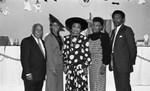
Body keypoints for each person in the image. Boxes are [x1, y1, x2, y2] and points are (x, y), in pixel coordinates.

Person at [110, 10, 137, 91]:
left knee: (125, 86)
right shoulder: (113, 31)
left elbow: (132, 48)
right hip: (115, 63)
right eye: (114, 18)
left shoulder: (127, 30)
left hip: (124, 64)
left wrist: (130, 62)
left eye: (118, 18)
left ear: (123, 19)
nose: (116, 20)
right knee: (118, 85)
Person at [63, 17, 92, 91]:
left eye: (78, 27)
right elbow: (64, 53)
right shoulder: (66, 39)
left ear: (81, 29)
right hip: (70, 69)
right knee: (70, 88)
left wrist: (85, 66)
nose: (76, 29)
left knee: (81, 88)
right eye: (74, 27)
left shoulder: (84, 39)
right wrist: (65, 64)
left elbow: (87, 54)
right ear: (71, 28)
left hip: (81, 69)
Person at [20, 23, 46, 91]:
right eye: (37, 29)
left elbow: (43, 59)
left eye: (41, 30)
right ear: (32, 30)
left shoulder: (43, 42)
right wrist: (28, 73)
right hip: (31, 76)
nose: (39, 32)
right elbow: (24, 59)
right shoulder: (26, 41)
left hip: (40, 76)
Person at [88, 17, 111, 91]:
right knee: (93, 85)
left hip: (100, 64)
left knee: (99, 85)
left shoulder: (104, 36)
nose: (94, 27)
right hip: (91, 64)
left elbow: (107, 51)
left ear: (101, 27)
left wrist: (104, 65)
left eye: (97, 25)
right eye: (93, 25)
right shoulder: (89, 37)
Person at [44, 14, 64, 91]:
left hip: (59, 65)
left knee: (59, 86)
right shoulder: (48, 38)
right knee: (52, 86)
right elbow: (49, 54)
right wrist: (52, 68)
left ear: (59, 27)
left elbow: (61, 52)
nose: (55, 27)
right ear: (50, 27)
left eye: (57, 25)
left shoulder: (61, 38)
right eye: (53, 25)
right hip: (52, 66)